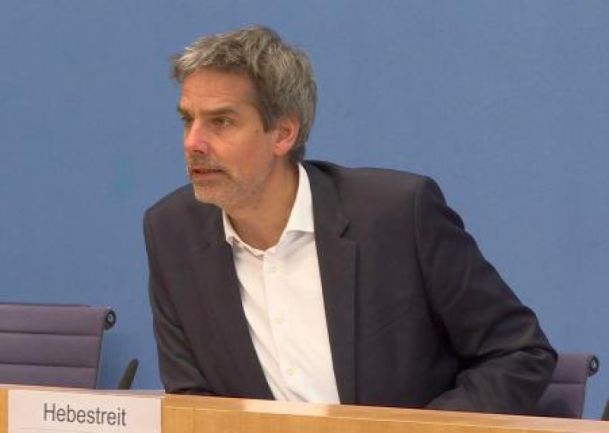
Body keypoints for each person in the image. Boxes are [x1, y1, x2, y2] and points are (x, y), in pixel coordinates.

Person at [144, 25, 556, 414]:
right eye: (188, 119)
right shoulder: (172, 232)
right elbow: (192, 400)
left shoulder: (397, 215)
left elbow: (519, 353)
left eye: (221, 122)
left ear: (283, 134)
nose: (193, 143)